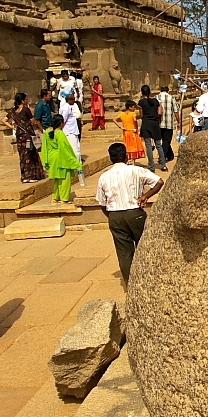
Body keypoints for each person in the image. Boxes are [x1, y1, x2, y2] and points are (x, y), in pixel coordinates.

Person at [95, 142, 164, 286]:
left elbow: (102, 203)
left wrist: (112, 217)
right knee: (144, 246)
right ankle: (150, 279)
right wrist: (145, 196)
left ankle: (131, 284)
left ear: (110, 159)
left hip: (115, 215)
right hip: (135, 212)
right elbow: (159, 181)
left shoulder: (104, 177)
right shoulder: (136, 170)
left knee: (124, 253)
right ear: (126, 156)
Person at [1, 93, 45, 184]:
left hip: (19, 136)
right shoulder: (26, 110)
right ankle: (31, 176)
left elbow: (4, 120)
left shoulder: (13, 111)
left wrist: (13, 127)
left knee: (22, 156)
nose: (27, 100)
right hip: (28, 135)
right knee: (30, 154)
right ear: (22, 101)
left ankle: (24, 176)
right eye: (26, 99)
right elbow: (33, 121)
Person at [41, 114, 83, 203]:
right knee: (65, 179)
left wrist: (45, 160)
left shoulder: (48, 132)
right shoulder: (59, 134)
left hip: (51, 157)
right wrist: (75, 162)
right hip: (61, 157)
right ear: (61, 123)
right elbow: (65, 148)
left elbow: (44, 147)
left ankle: (55, 197)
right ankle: (64, 198)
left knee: (57, 179)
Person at [138, 84, 167, 172]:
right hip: (155, 124)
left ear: (142, 92)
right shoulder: (155, 101)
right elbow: (160, 112)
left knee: (148, 145)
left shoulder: (141, 102)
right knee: (158, 145)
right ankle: (163, 165)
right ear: (150, 92)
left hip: (146, 124)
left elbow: (141, 114)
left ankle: (151, 166)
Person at [156, 86, 180, 162]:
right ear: (168, 91)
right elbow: (176, 111)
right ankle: (162, 157)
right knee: (167, 140)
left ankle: (170, 155)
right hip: (169, 123)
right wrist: (179, 121)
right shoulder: (171, 98)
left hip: (159, 123)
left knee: (165, 140)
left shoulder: (156, 97)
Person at [60, 92, 82, 160]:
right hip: (70, 132)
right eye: (72, 99)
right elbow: (63, 120)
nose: (74, 101)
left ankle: (78, 165)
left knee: (77, 149)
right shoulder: (66, 108)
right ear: (69, 100)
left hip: (73, 131)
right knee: (74, 149)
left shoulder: (70, 107)